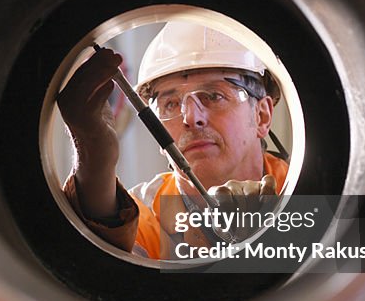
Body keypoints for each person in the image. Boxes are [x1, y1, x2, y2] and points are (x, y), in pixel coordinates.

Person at [57, 22, 289, 259]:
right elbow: (108, 273)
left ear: (262, 115)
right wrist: (94, 159)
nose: (190, 117)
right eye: (171, 104)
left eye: (213, 96)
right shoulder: (143, 213)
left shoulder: (303, 192)